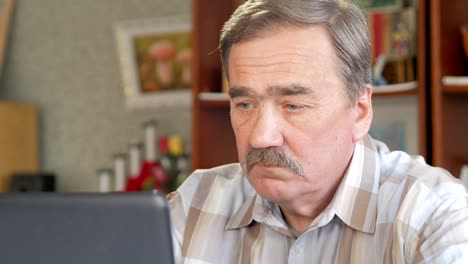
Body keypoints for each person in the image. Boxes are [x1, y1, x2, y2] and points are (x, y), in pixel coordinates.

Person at [168, 0, 468, 262]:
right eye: (245, 104)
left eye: (293, 105)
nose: (261, 137)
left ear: (360, 111)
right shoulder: (194, 204)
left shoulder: (434, 215)